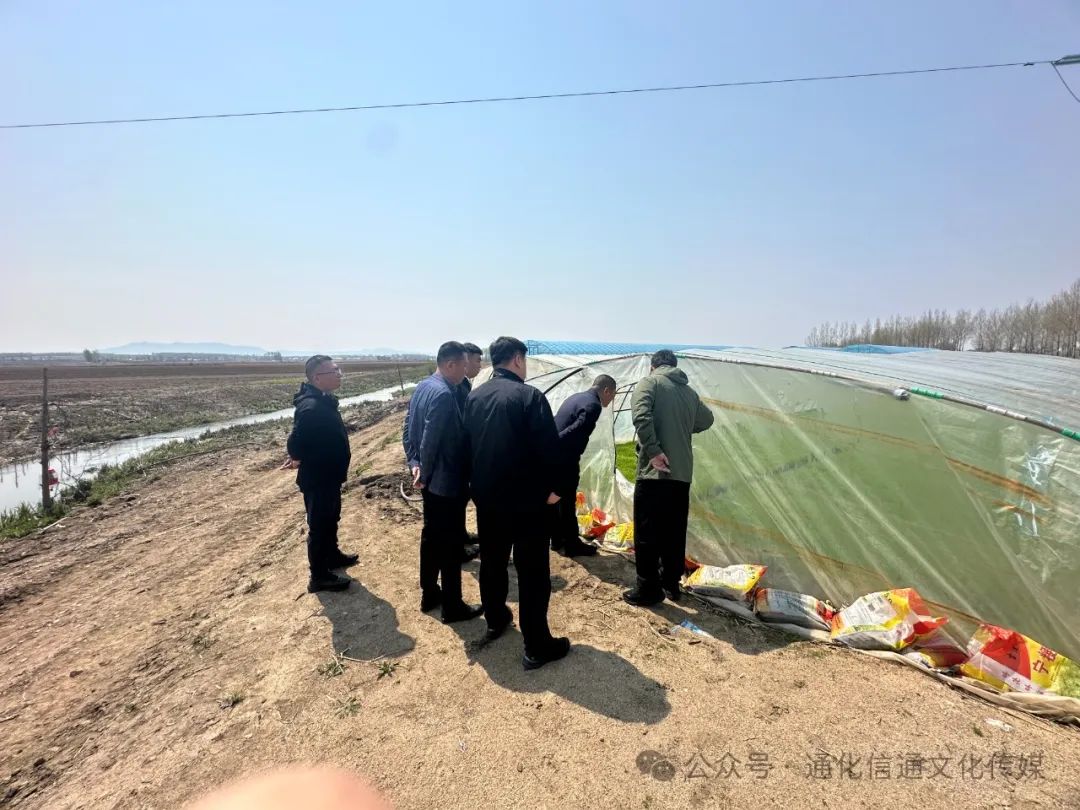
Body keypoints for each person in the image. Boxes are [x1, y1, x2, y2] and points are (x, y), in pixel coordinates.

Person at [464, 336, 570, 670]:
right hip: (526, 502)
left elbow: (467, 446)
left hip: (487, 499)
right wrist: (557, 488)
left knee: (493, 562)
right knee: (533, 572)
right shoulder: (529, 397)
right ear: (518, 360)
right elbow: (550, 449)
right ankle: (536, 645)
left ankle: (496, 619)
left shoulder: (474, 396)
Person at [623, 349, 714, 607]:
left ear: (653, 366)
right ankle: (671, 584)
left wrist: (654, 451)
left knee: (647, 531)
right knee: (674, 532)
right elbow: (707, 420)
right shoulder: (689, 393)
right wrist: (682, 425)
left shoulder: (649, 383)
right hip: (682, 474)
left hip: (655, 472)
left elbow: (641, 416)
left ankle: (648, 588)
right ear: (674, 366)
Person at [402, 342, 484, 623]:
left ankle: (429, 593)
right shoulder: (444, 394)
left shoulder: (424, 386)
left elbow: (407, 427)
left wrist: (413, 463)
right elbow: (430, 439)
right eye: (464, 365)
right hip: (445, 482)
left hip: (430, 482)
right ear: (451, 365)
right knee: (449, 546)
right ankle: (452, 606)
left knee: (431, 538)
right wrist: (423, 473)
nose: (467, 370)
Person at [285, 355, 358, 593]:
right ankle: (318, 576)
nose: (339, 374)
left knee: (331, 518)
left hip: (330, 474)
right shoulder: (311, 407)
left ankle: (332, 555)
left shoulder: (323, 400)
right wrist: (296, 457)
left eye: (339, 370)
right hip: (318, 478)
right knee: (319, 525)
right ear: (317, 378)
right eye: (334, 371)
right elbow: (296, 442)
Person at [549, 374, 618, 557]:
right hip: (565, 457)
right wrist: (555, 442)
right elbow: (576, 430)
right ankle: (572, 544)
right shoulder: (593, 405)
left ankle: (557, 539)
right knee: (567, 500)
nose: (612, 399)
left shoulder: (576, 397)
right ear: (606, 390)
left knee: (558, 500)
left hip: (555, 457)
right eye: (613, 395)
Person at [453, 342, 485, 563]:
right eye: (477, 360)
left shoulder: (464, 384)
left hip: (464, 453)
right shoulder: (454, 388)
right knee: (456, 501)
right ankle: (457, 547)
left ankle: (462, 535)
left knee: (462, 498)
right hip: (457, 455)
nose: (479, 365)